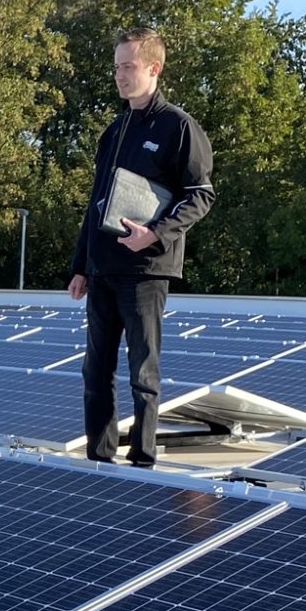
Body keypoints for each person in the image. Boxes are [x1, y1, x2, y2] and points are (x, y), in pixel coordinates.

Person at [67, 27, 214, 466]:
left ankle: (144, 461)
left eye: (128, 66)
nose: (119, 75)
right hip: (103, 269)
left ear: (154, 68)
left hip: (147, 269)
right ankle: (99, 458)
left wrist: (156, 232)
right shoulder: (114, 131)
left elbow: (201, 194)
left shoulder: (178, 127)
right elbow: (96, 203)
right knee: (95, 370)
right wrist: (80, 265)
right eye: (116, 67)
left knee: (142, 373)